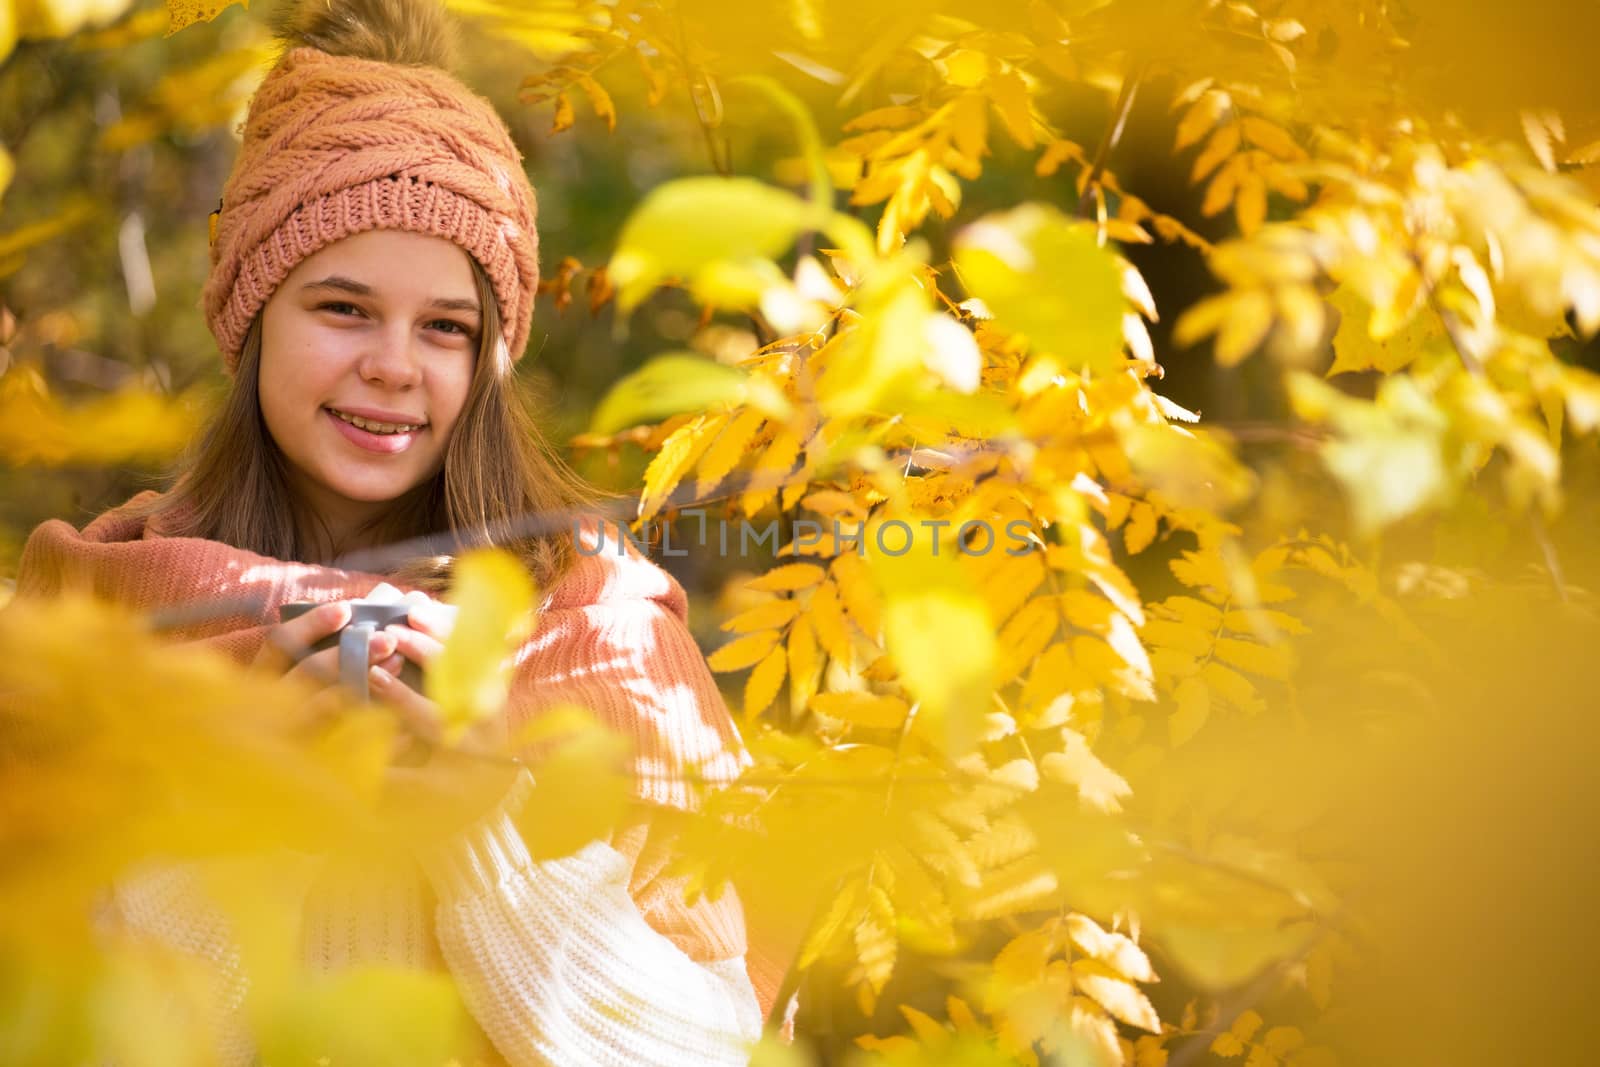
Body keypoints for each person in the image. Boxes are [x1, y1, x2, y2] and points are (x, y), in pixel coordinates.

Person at [12, 0, 784, 1062]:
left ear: (488, 359)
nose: (394, 364)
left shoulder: (604, 637)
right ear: (251, 316)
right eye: (342, 307)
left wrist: (481, 827)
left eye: (445, 327)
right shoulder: (99, 616)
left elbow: (708, 1047)